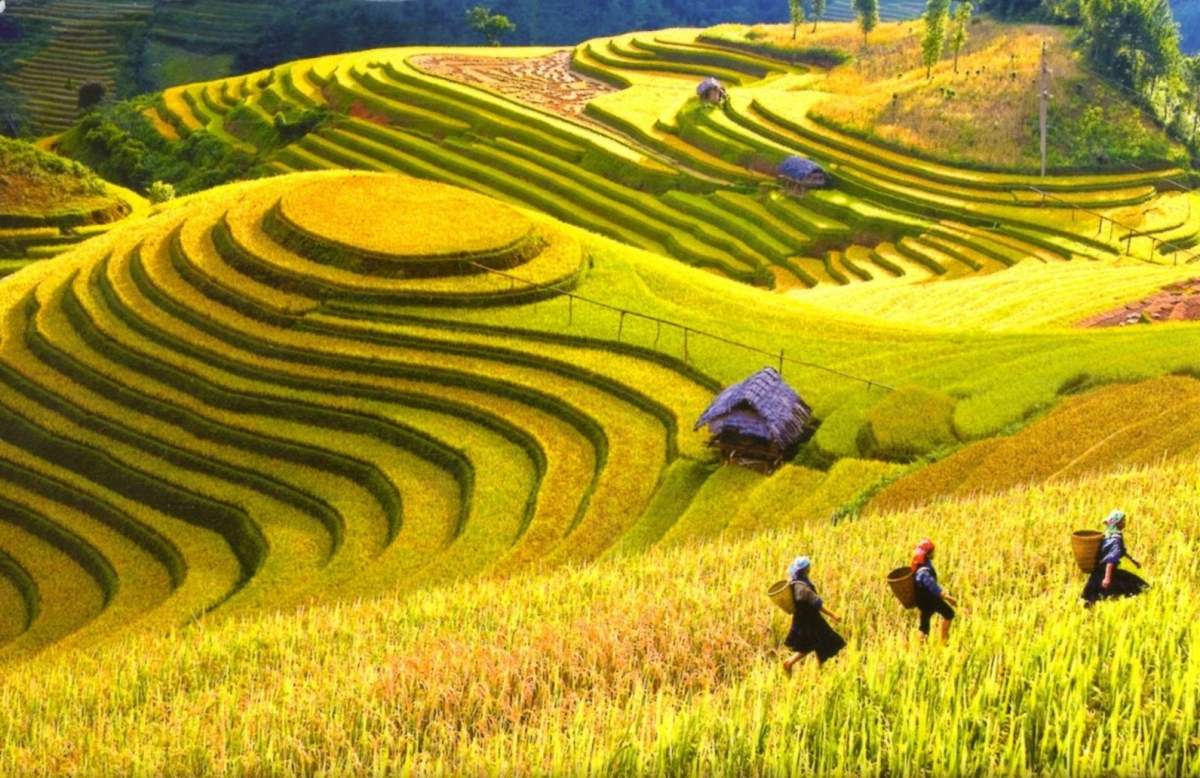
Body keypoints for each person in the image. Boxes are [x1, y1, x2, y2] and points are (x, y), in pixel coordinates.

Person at [781, 555, 846, 674]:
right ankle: (790, 663)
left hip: (803, 619)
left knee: (814, 644)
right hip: (811, 621)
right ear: (805, 570)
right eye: (808, 567)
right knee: (825, 641)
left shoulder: (795, 583)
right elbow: (818, 604)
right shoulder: (803, 588)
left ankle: (818, 668)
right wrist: (833, 615)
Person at [1081, 510, 1149, 607]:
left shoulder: (1108, 536)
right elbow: (1111, 559)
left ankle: (1090, 615)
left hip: (1097, 572)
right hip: (1108, 571)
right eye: (1123, 520)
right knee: (1138, 587)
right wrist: (1107, 578)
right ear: (1118, 523)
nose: (1125, 522)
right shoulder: (1116, 539)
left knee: (1092, 597)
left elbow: (1121, 551)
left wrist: (1133, 560)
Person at [912, 539, 957, 643]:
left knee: (924, 625)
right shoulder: (924, 571)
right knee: (949, 614)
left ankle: (920, 646)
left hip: (923, 601)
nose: (934, 553)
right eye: (932, 552)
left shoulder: (921, 564)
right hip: (930, 600)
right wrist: (948, 598)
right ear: (928, 554)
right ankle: (943, 641)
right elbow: (933, 587)